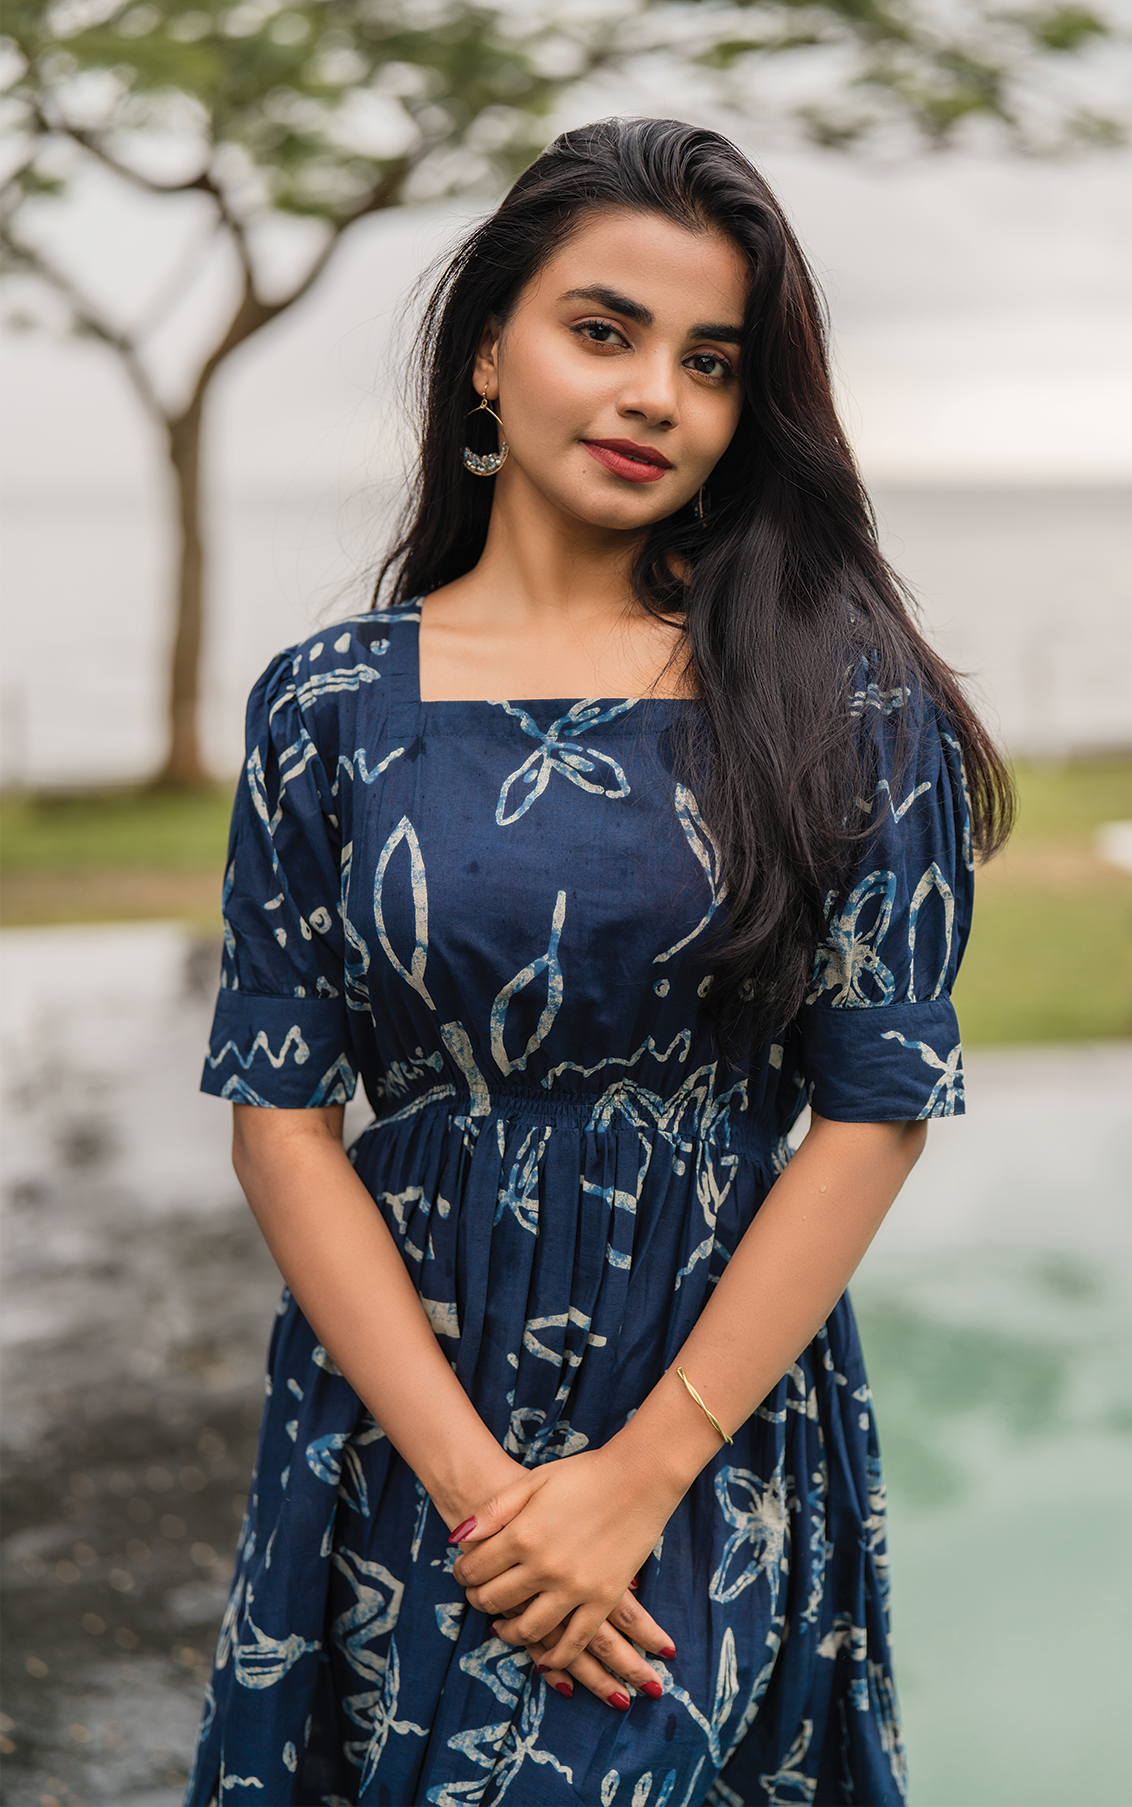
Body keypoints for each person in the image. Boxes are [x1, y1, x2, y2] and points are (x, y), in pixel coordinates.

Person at [185, 116, 1011, 1807]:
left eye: (710, 362)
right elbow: (283, 1123)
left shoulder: (843, 700)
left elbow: (874, 1111)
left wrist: (637, 1478)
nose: (655, 397)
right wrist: (484, 1498)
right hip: (404, 1423)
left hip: (704, 1423)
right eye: (603, 330)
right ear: (488, 352)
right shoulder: (328, 708)